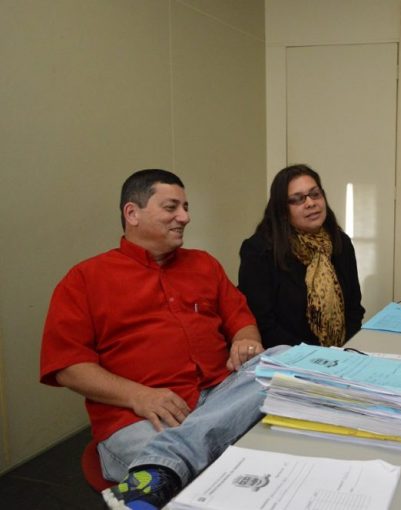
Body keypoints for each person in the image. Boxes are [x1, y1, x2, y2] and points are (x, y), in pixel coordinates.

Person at [40, 169, 285, 510]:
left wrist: (246, 341)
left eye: (185, 207)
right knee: (221, 483)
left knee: (283, 358)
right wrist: (138, 395)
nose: (184, 217)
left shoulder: (205, 265)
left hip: (220, 395)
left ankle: (164, 466)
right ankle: (187, 458)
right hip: (141, 417)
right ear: (132, 213)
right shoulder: (84, 279)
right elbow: (68, 366)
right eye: (172, 208)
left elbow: (241, 320)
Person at [238, 164, 365, 349]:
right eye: (298, 199)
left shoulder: (340, 242)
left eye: (315, 194)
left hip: (340, 354)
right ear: (282, 209)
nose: (311, 203)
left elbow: (354, 309)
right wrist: (314, 356)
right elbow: (263, 324)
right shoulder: (259, 251)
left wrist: (344, 351)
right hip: (287, 357)